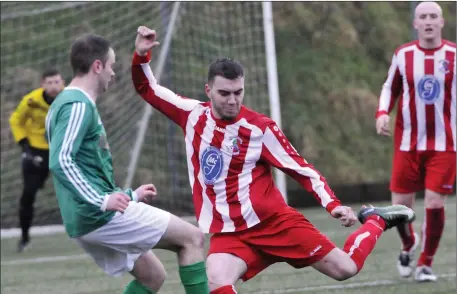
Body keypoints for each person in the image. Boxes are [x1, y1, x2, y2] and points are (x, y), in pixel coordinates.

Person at [132, 26, 416, 293]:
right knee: (216, 279)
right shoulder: (191, 114)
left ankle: (376, 221)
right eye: (224, 93)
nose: (232, 100)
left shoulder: (259, 129)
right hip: (230, 233)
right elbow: (148, 88)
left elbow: (301, 169)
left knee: (345, 268)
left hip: (275, 224)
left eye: (238, 92)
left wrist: (333, 205)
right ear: (208, 91)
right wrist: (142, 55)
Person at [46, 34, 209, 294]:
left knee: (152, 276)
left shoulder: (62, 105)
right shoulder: (77, 104)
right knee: (193, 238)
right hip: (97, 214)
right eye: (111, 65)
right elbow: (61, 161)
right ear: (97, 66)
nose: (113, 73)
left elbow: (85, 167)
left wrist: (129, 195)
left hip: (85, 216)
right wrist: (102, 201)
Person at [376, 1, 455, 282]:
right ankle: (409, 244)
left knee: (434, 204)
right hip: (407, 144)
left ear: (442, 22)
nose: (429, 21)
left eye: (434, 16)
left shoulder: (454, 55)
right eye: (423, 16)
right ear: (416, 23)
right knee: (400, 208)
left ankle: (425, 264)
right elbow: (390, 87)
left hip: (444, 144)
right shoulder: (404, 55)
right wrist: (383, 113)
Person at [9, 68, 65, 252]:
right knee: (28, 195)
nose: (53, 86)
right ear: (42, 84)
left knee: (74, 192)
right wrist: (24, 145)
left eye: (57, 82)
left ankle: (91, 230)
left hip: (61, 151)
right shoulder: (32, 100)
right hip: (35, 152)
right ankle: (24, 238)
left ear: (62, 82)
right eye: (49, 83)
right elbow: (16, 119)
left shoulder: (69, 98)